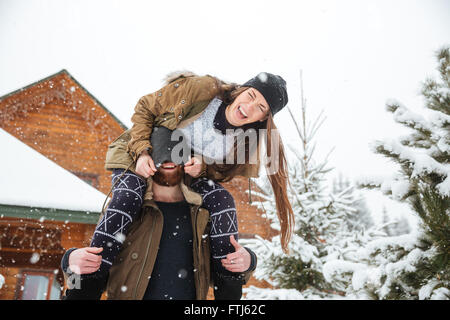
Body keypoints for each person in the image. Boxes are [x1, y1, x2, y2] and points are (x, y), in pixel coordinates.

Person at [84, 70, 294, 295]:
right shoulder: (202, 90)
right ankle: (86, 286)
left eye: (261, 108)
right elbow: (146, 107)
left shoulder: (245, 142)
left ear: (263, 118)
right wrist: (142, 151)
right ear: (242, 90)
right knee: (128, 197)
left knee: (223, 200)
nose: (249, 107)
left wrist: (203, 168)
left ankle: (228, 290)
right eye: (251, 95)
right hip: (143, 154)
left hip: (185, 174)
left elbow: (222, 173)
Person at [61, 127, 257, 300]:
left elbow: (223, 273)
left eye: (175, 158)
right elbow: (92, 274)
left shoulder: (202, 215)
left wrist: (247, 261)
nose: (168, 163)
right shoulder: (128, 212)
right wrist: (71, 263)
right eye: (162, 157)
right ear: (148, 161)